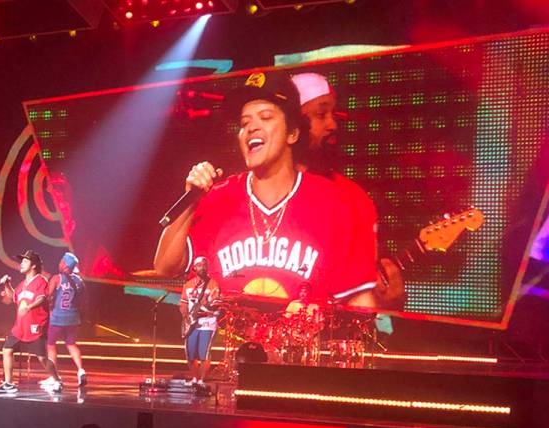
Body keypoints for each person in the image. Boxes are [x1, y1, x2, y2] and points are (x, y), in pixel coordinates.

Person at [154, 71, 378, 308]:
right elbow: (165, 267)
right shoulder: (219, 197)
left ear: (292, 133)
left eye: (266, 117)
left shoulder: (333, 202)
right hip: (232, 343)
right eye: (244, 123)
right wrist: (191, 199)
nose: (252, 128)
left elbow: (361, 301)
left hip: (304, 343)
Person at [290, 72, 405, 310]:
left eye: (333, 115)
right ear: (292, 126)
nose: (333, 124)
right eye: (321, 115)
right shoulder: (252, 192)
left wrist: (391, 300)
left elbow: (367, 298)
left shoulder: (354, 198)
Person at [0, 250, 62, 394]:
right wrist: (7, 284)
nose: (21, 264)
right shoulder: (23, 283)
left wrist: (29, 307)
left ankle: (57, 380)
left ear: (34, 265)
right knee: (7, 349)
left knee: (42, 358)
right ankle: (8, 383)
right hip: (20, 327)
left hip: (36, 326)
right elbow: (14, 297)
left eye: (25, 261)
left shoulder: (41, 280)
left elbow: (42, 298)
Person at [43, 252, 87, 389]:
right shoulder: (79, 281)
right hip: (73, 318)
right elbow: (83, 299)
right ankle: (81, 370)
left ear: (66, 266)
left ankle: (53, 376)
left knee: (50, 345)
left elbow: (47, 296)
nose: (60, 263)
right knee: (71, 344)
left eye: (62, 261)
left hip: (57, 317)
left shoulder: (57, 278)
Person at [180, 256, 221, 385]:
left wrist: (208, 303)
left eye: (205, 265)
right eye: (199, 265)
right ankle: (195, 378)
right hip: (191, 324)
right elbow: (183, 304)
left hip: (207, 324)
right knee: (190, 355)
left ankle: (202, 380)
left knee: (204, 354)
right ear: (194, 268)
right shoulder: (188, 285)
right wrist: (186, 317)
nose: (202, 268)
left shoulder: (213, 284)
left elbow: (216, 303)